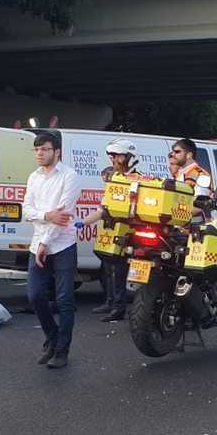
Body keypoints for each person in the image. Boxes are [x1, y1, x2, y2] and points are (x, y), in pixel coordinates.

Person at [23, 131, 80, 369]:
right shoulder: (34, 177)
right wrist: (46, 215)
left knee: (65, 299)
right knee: (35, 295)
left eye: (44, 149)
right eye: (37, 149)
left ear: (57, 152)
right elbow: (27, 210)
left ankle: (62, 351)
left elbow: (64, 216)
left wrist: (46, 241)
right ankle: (52, 337)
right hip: (38, 244)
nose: (39, 153)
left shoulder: (70, 176)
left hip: (63, 244)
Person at [78, 138, 141, 322]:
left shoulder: (137, 179)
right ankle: (110, 301)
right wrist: (83, 222)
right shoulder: (115, 177)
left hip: (127, 231)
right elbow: (103, 206)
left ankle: (119, 307)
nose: (113, 160)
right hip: (110, 228)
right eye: (111, 156)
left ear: (128, 157)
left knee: (119, 269)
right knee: (107, 268)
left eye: (116, 156)